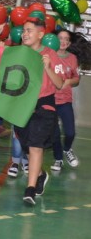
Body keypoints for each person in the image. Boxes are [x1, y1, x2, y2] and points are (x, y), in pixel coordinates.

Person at [13, 18, 63, 205]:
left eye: (29, 30)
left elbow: (59, 84)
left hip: (44, 105)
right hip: (21, 105)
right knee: (27, 146)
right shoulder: (18, 53)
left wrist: (48, 67)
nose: (24, 34)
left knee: (35, 146)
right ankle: (40, 173)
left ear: (40, 34)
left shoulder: (50, 54)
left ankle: (30, 189)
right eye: (23, 30)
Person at [50, 29, 91, 171]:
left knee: (70, 132)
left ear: (69, 43)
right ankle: (58, 159)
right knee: (54, 134)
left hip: (65, 101)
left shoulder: (72, 58)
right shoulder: (48, 56)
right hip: (49, 100)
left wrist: (68, 82)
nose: (63, 41)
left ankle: (67, 150)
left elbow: (76, 79)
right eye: (60, 38)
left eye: (66, 39)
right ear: (55, 40)